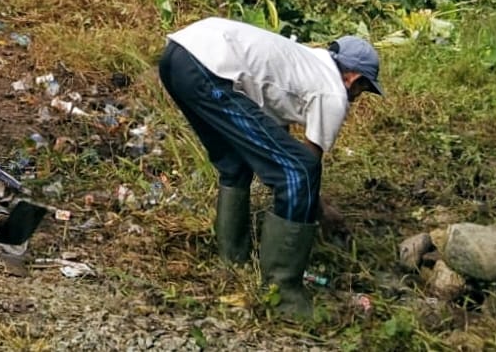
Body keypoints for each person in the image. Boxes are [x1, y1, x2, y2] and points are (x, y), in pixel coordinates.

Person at [158, 17, 383, 317]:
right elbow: (305, 164)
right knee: (300, 172)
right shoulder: (333, 92)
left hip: (177, 56)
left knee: (236, 162)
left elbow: (274, 139)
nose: (357, 99)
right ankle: (284, 294)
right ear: (353, 78)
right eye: (363, 90)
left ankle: (232, 260)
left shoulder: (306, 62)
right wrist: (320, 211)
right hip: (207, 70)